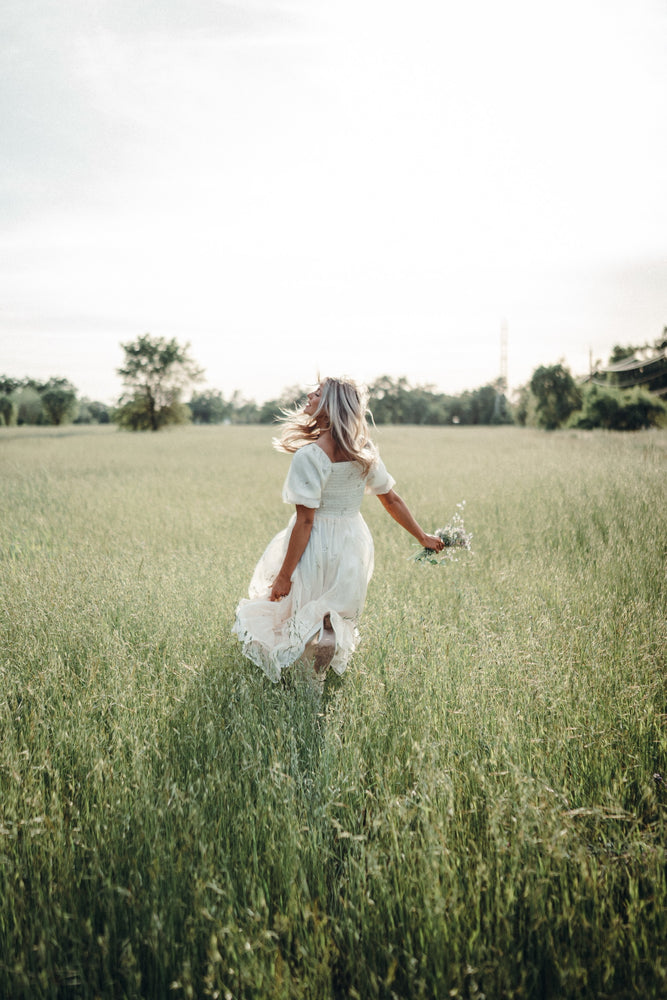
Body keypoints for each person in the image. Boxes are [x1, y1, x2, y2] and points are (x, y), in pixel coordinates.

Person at [232, 377, 444, 684]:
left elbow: (306, 522)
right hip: (351, 543)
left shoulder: (310, 456)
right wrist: (422, 535)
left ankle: (308, 686)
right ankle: (322, 651)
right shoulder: (364, 451)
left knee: (297, 609)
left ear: (330, 408)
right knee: (328, 613)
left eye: (317, 394)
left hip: (315, 542)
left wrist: (283, 575)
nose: (308, 394)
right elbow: (391, 498)